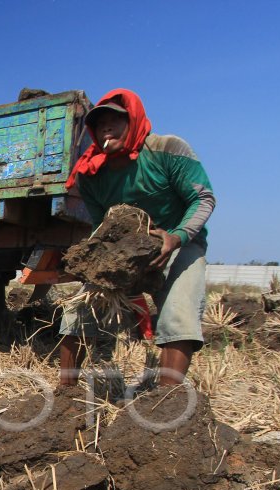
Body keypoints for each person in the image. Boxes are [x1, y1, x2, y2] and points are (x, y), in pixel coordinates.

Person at [59, 89, 216, 387]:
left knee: (179, 312)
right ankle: (65, 395)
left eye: (115, 120)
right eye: (100, 123)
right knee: (78, 311)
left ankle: (168, 402)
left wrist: (176, 238)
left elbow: (204, 199)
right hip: (120, 251)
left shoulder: (167, 150)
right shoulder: (90, 174)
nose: (107, 127)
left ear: (133, 119)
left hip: (175, 244)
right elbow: (100, 223)